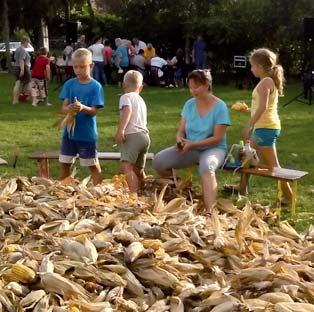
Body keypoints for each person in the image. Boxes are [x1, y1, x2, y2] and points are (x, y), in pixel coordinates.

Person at [152, 70, 231, 215]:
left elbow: (218, 138)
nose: (193, 91)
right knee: (158, 161)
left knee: (207, 167)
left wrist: (193, 144)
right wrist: (179, 140)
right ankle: (182, 187)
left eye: (196, 87)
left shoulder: (220, 107)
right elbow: (181, 130)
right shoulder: (189, 104)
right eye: (190, 87)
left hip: (213, 148)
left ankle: (210, 211)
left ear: (207, 85)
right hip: (189, 147)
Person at [226, 48, 293, 204]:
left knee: (272, 165)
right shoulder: (267, 81)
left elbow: (263, 107)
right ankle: (242, 187)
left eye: (253, 66)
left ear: (260, 67)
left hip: (266, 128)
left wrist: (249, 124)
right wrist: (247, 109)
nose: (251, 69)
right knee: (247, 156)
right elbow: (263, 106)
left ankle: (289, 196)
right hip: (267, 127)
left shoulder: (265, 83)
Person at [58, 48, 104, 185]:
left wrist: (83, 108)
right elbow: (63, 107)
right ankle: (61, 189)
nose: (78, 70)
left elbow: (94, 111)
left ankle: (99, 189)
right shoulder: (70, 84)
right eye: (75, 67)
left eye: (82, 67)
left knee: (92, 164)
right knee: (65, 163)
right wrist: (70, 108)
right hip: (69, 133)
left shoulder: (96, 86)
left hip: (86, 134)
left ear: (91, 66)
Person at [115, 70, 150, 194]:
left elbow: (127, 111)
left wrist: (121, 130)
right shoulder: (141, 100)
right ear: (140, 87)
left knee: (126, 166)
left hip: (132, 135)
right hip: (145, 136)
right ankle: (147, 191)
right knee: (138, 170)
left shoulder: (126, 97)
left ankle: (133, 195)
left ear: (124, 85)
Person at [12, 36, 32, 104]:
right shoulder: (23, 50)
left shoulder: (17, 49)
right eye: (28, 43)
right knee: (29, 83)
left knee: (18, 83)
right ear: (25, 42)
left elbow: (16, 59)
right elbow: (21, 60)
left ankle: (15, 100)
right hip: (23, 68)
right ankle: (33, 99)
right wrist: (22, 70)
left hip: (16, 67)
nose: (28, 44)